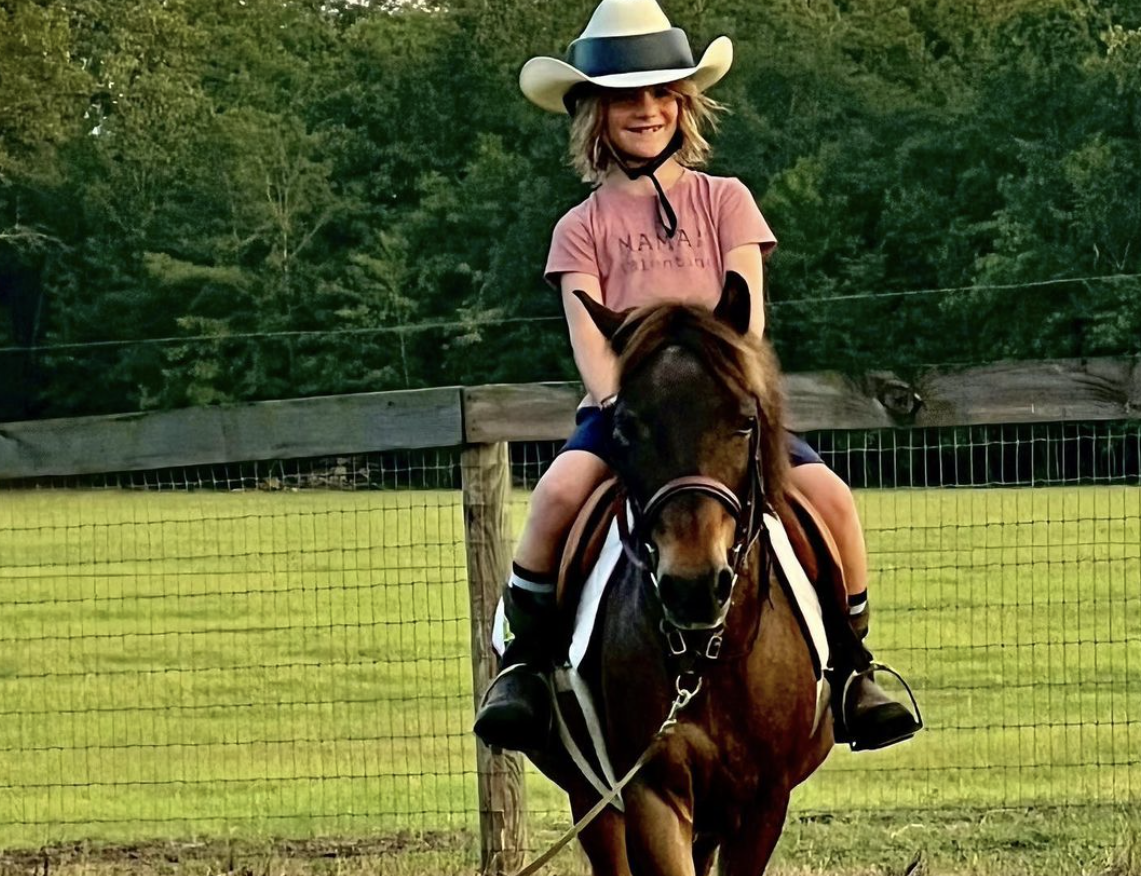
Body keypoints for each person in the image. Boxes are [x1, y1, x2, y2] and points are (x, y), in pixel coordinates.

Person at [474, 0, 921, 754]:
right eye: (624, 98)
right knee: (553, 497)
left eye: (659, 96)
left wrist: (723, 393)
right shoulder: (579, 226)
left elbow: (744, 322)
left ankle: (851, 668)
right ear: (592, 113)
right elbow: (590, 339)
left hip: (721, 412)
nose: (644, 111)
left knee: (829, 498)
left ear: (682, 106)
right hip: (633, 416)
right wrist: (625, 403)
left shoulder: (726, 201)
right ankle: (524, 667)